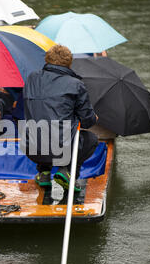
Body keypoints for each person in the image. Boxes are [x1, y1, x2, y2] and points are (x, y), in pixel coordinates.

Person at [23, 44, 99, 191]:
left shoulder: (31, 78)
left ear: (47, 60)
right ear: (69, 63)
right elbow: (88, 121)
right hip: (61, 149)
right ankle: (67, 171)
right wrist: (93, 117)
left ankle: (44, 172)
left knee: (44, 127)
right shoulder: (76, 84)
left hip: (30, 147)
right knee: (91, 139)